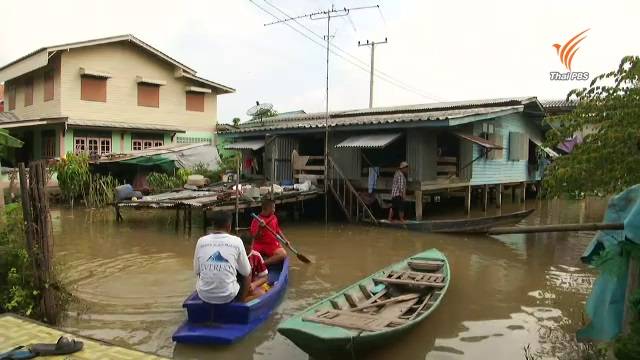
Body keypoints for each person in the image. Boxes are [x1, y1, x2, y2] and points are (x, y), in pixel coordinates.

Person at [193, 212, 251, 304]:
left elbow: (196, 271)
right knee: (247, 273)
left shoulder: (201, 241)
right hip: (228, 296)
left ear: (212, 226)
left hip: (204, 295)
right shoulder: (237, 241)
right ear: (229, 226)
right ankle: (241, 302)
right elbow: (246, 272)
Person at [250, 199, 288, 266]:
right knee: (248, 255)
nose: (274, 210)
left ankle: (262, 264)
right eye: (273, 208)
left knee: (283, 254)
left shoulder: (274, 217)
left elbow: (277, 230)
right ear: (266, 208)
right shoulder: (256, 220)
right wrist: (260, 228)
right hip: (259, 244)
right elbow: (255, 237)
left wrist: (285, 240)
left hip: (271, 244)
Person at [240, 233, 270, 299]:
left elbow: (265, 277)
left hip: (250, 287)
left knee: (262, 294)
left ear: (252, 245)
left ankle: (242, 303)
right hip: (236, 288)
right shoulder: (234, 255)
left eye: (248, 249)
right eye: (244, 249)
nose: (246, 251)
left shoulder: (256, 256)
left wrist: (254, 284)